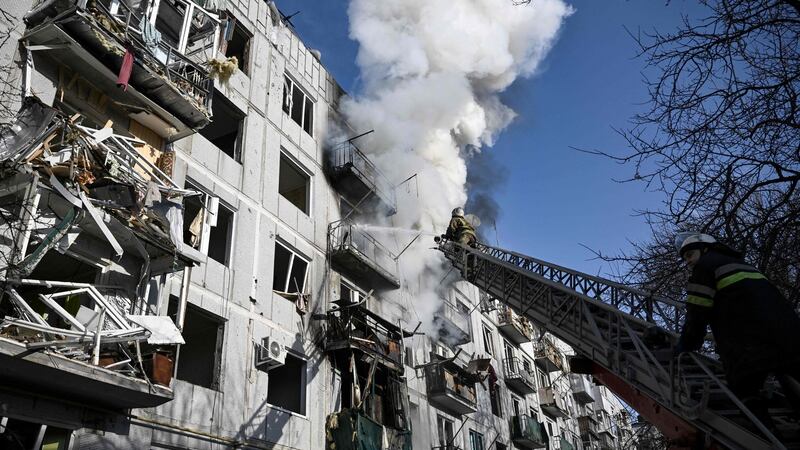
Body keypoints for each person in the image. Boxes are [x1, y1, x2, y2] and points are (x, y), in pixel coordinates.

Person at [674, 232, 800, 431]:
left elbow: (697, 313)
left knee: (745, 391)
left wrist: (685, 344)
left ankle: (767, 439)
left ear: (705, 249)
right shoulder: (745, 265)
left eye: (689, 255)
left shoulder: (705, 268)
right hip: (789, 337)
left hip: (747, 343)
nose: (688, 261)